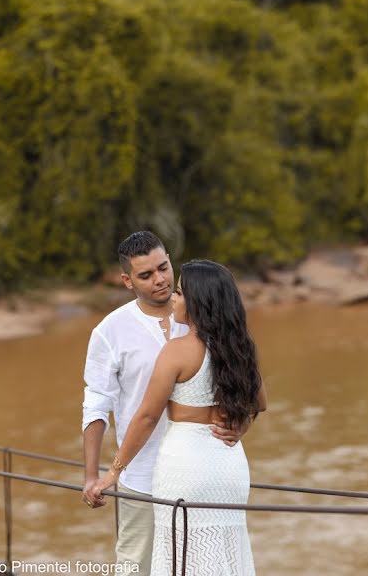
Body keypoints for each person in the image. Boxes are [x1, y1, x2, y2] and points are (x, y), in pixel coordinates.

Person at [81, 233, 247, 575]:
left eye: (163, 268)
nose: (161, 280)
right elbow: (97, 404)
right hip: (139, 476)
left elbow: (245, 387)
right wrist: (94, 474)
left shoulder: (203, 312)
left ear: (171, 260)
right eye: (146, 275)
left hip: (198, 475)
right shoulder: (109, 332)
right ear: (127, 281)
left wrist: (241, 423)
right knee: (136, 566)